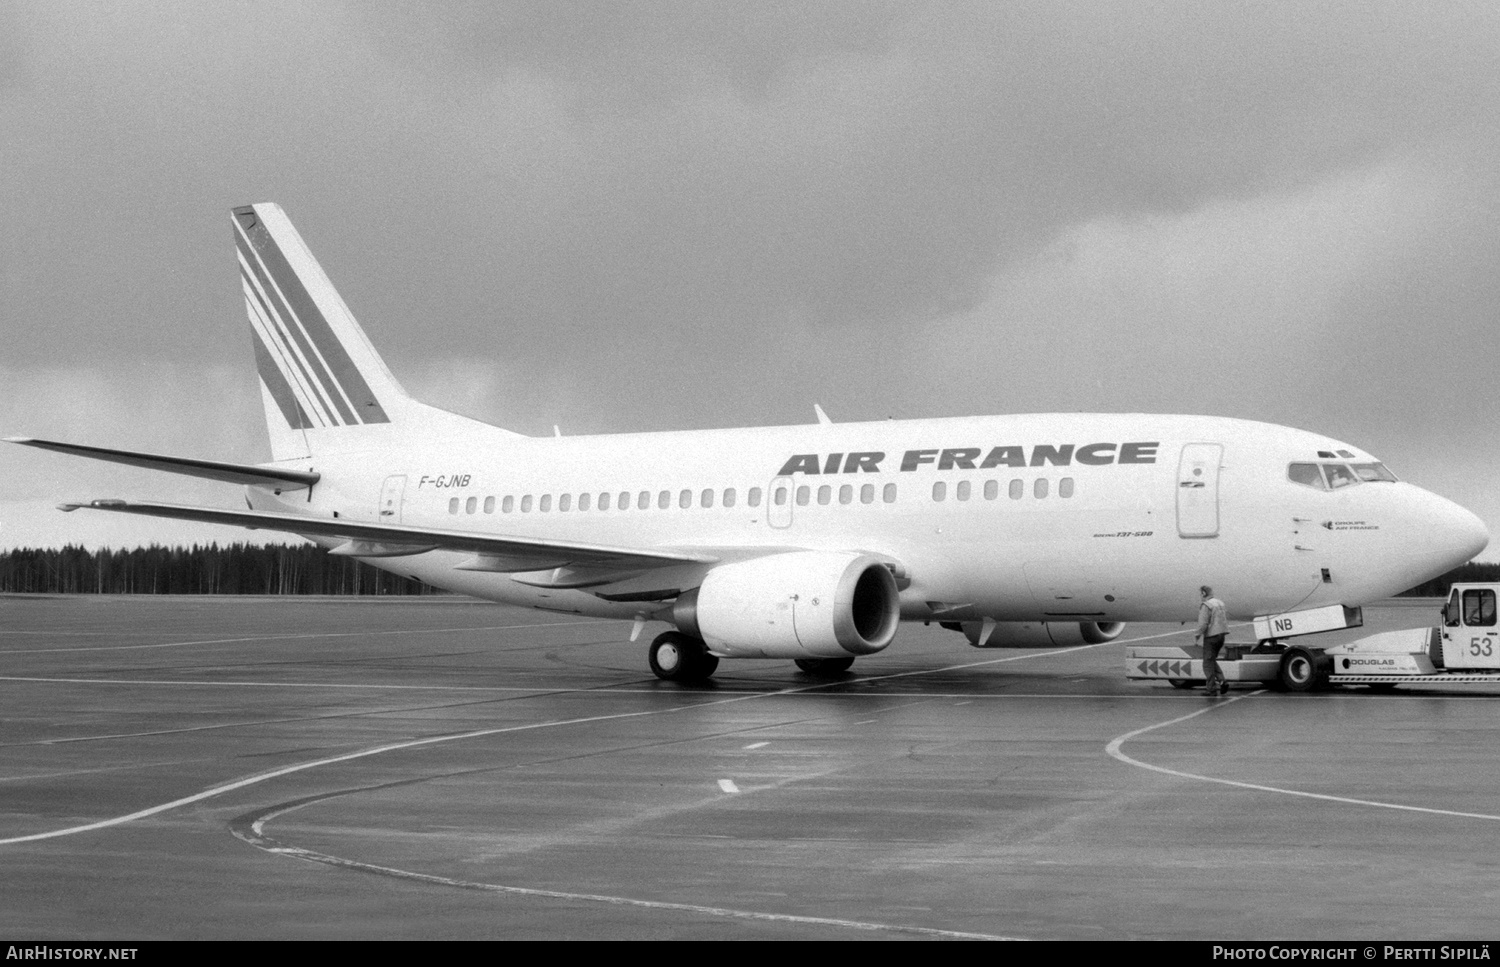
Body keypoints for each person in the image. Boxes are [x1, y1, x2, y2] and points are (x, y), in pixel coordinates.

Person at [1195, 585, 1229, 695]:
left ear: (1204, 594)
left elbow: (1203, 623)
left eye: (1200, 594)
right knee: (1212, 660)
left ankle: (1211, 689)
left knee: (1207, 664)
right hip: (1221, 635)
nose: (1200, 596)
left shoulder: (1207, 605)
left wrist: (1197, 635)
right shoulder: (1219, 603)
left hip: (1211, 636)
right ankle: (1222, 681)